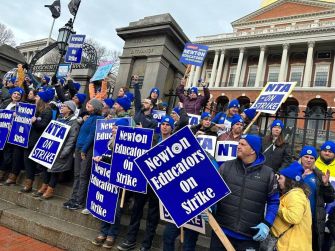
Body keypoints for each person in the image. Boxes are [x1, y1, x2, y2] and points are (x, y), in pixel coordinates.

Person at [211, 134, 279, 250]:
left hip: (249, 238)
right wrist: (210, 207)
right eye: (239, 143)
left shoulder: (268, 174)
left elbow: (274, 202)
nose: (238, 146)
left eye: (243, 144)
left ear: (253, 150)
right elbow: (214, 193)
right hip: (221, 232)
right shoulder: (225, 167)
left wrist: (267, 224)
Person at [117, 116, 174, 251]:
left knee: (152, 216)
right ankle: (130, 239)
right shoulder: (153, 138)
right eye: (163, 124)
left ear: (172, 127)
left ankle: (146, 245)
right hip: (143, 181)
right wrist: (140, 133)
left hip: (159, 185)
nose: (164, 126)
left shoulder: (174, 143)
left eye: (167, 124)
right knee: (136, 210)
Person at [92, 118, 130, 249]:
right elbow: (107, 156)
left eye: (116, 128)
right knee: (106, 204)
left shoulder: (128, 145)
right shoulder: (110, 141)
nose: (113, 129)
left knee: (116, 209)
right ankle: (103, 231)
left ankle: (112, 234)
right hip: (107, 179)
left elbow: (119, 160)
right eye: (113, 127)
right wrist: (100, 158)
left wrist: (104, 158)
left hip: (119, 181)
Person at [33, 101, 80, 200]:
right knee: (45, 168)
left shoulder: (74, 123)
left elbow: (72, 139)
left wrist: (65, 152)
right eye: (62, 106)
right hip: (52, 149)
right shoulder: (59, 118)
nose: (61, 107)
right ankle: (44, 186)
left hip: (61, 151)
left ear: (70, 109)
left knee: (54, 171)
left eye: (64, 106)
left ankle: (50, 190)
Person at [63, 98, 104, 210]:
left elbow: (91, 136)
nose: (88, 104)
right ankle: (73, 198)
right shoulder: (88, 117)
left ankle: (79, 201)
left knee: (83, 175)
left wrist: (83, 150)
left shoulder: (98, 118)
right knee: (77, 175)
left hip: (86, 150)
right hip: (79, 148)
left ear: (96, 107)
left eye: (91, 103)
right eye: (88, 102)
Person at [270, 162, 312, 251]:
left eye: (281, 178)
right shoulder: (291, 194)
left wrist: (276, 205)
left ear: (289, 180)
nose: (278, 181)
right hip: (287, 244)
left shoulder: (296, 195)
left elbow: (294, 218)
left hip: (292, 246)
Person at [300, 146, 335, 251]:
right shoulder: (292, 172)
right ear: (301, 157)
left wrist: (326, 185)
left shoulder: (319, 176)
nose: (308, 160)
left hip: (314, 220)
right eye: (306, 157)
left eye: (312, 158)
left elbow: (330, 198)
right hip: (298, 219)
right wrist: (299, 179)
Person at [20, 89, 54, 192]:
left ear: (42, 99)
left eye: (38, 97)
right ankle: (29, 183)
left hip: (38, 141)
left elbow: (43, 126)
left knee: (40, 166)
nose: (36, 98)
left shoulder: (48, 111)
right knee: (27, 163)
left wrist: (34, 122)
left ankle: (44, 185)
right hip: (29, 140)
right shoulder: (35, 109)